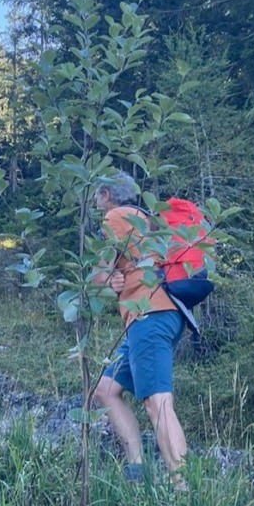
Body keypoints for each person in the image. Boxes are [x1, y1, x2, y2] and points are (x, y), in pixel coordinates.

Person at [91, 171, 189, 488]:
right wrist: (115, 280)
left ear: (106, 195)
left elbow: (98, 278)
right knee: (106, 389)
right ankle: (137, 469)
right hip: (158, 313)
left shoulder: (115, 217)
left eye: (96, 195)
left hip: (149, 314)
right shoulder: (145, 219)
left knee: (157, 402)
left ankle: (183, 489)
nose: (95, 202)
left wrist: (107, 280)